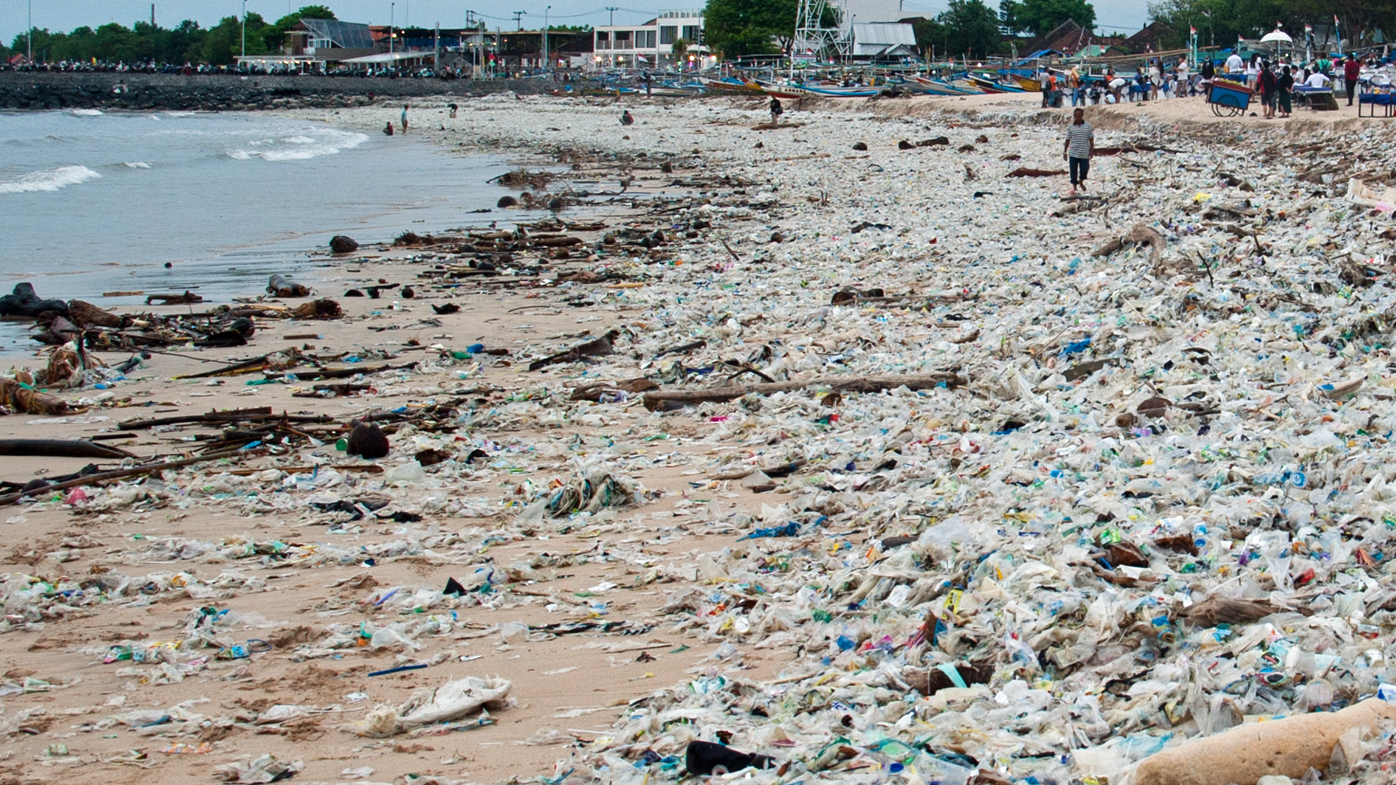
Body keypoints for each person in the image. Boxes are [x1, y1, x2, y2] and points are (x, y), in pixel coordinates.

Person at [1062, 107, 1094, 196]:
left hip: (1084, 152)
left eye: (1080, 116)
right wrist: (1065, 152)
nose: (1078, 118)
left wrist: (1092, 150)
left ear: (1082, 116)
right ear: (1074, 116)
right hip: (1073, 152)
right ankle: (1075, 186)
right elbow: (1067, 140)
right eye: (1077, 116)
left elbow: (1091, 138)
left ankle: (1081, 181)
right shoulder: (1070, 127)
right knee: (1073, 171)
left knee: (1085, 169)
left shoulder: (1088, 126)